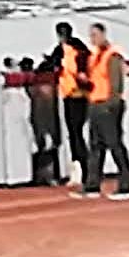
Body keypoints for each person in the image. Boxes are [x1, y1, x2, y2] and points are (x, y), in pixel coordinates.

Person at [76, 21, 129, 200]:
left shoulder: (112, 55)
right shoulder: (94, 56)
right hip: (95, 104)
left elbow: (116, 83)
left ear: (103, 35)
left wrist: (111, 104)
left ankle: (126, 185)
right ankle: (92, 185)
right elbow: (96, 81)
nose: (92, 39)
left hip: (108, 106)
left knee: (115, 144)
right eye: (91, 35)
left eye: (95, 35)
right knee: (95, 146)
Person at [49, 20, 93, 176]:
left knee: (75, 132)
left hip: (75, 95)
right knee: (76, 132)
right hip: (75, 95)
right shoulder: (79, 48)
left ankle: (84, 167)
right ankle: (83, 166)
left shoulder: (69, 51)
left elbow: (58, 67)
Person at [14, 56, 62, 187]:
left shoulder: (34, 81)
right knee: (51, 144)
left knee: (42, 145)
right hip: (50, 117)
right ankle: (51, 175)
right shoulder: (51, 82)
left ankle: (44, 175)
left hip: (39, 117)